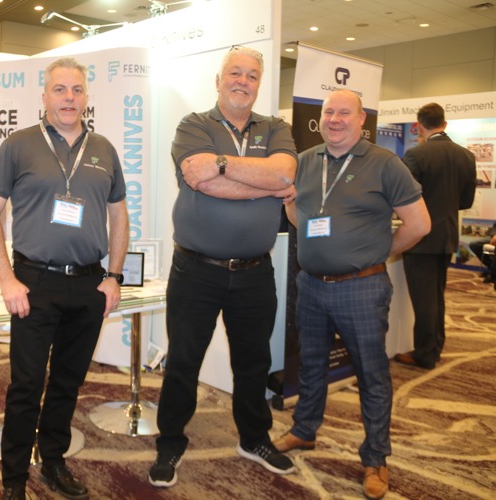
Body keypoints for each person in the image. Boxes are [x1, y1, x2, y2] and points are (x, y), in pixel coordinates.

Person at [0, 57, 130, 500]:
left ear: (86, 97)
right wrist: (7, 279)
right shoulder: (19, 144)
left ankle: (54, 463)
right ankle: (13, 481)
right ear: (44, 96)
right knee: (26, 385)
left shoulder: (103, 149)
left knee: (67, 382)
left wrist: (114, 276)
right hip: (34, 283)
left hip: (88, 284)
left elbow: (119, 216)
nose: (68, 98)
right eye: (60, 90)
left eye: (76, 90)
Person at [148, 46, 298, 489]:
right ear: (219, 80)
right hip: (196, 270)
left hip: (255, 272)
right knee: (183, 361)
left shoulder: (276, 128)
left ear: (259, 84)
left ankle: (254, 438)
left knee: (253, 361)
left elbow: (284, 175)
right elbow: (199, 180)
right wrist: (265, 183)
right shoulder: (194, 124)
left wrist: (221, 165)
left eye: (251, 75)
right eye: (235, 73)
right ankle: (170, 441)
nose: (242, 82)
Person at [277, 89, 431, 499]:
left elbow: (419, 225)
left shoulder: (385, 164)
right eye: (329, 112)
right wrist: (295, 212)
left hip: (362, 287)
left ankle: (375, 458)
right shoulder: (305, 161)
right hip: (311, 284)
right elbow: (299, 216)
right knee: (310, 365)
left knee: (371, 375)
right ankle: (304, 430)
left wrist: (379, 254)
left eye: (345, 112)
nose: (335, 119)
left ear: (362, 119)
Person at [395, 103, 476, 370]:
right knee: (437, 296)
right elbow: (466, 201)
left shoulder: (416, 155)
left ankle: (425, 354)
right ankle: (435, 347)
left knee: (424, 300)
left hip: (420, 237)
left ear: (419, 126)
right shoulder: (466, 155)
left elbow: (404, 198)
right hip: (447, 236)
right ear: (445, 123)